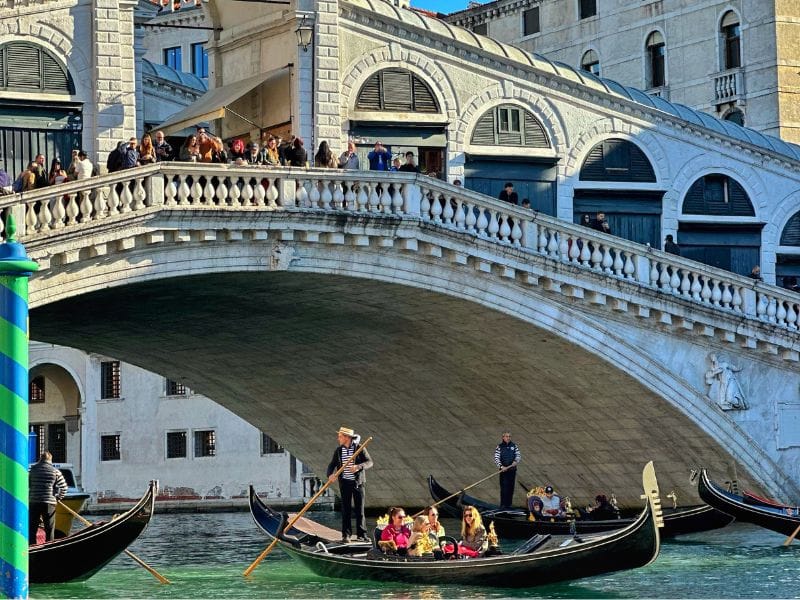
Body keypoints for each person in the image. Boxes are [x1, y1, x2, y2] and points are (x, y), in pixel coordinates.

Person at [327, 426, 373, 543]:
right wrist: (330, 475)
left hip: (358, 483)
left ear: (347, 437)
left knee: (360, 510)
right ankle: (346, 535)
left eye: (340, 436)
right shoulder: (338, 451)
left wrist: (358, 467)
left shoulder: (359, 448)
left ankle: (362, 535)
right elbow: (331, 465)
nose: (338, 439)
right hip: (345, 483)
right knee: (346, 510)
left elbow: (369, 462)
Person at [29, 451, 68, 544]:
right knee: (49, 528)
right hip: (49, 503)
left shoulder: (32, 470)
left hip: (34, 502)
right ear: (50, 460)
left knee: (32, 527)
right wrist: (58, 497)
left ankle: (32, 546)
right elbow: (64, 487)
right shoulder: (55, 471)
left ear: (40, 459)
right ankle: (49, 545)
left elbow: (28, 484)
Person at [494, 431, 521, 508]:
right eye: (506, 436)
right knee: (504, 488)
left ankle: (509, 505)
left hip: (512, 471)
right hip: (504, 471)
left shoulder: (514, 446)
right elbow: (496, 458)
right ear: (503, 437)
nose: (508, 438)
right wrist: (501, 467)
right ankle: (503, 505)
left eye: (509, 436)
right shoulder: (499, 447)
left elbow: (518, 455)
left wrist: (515, 461)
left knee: (511, 488)